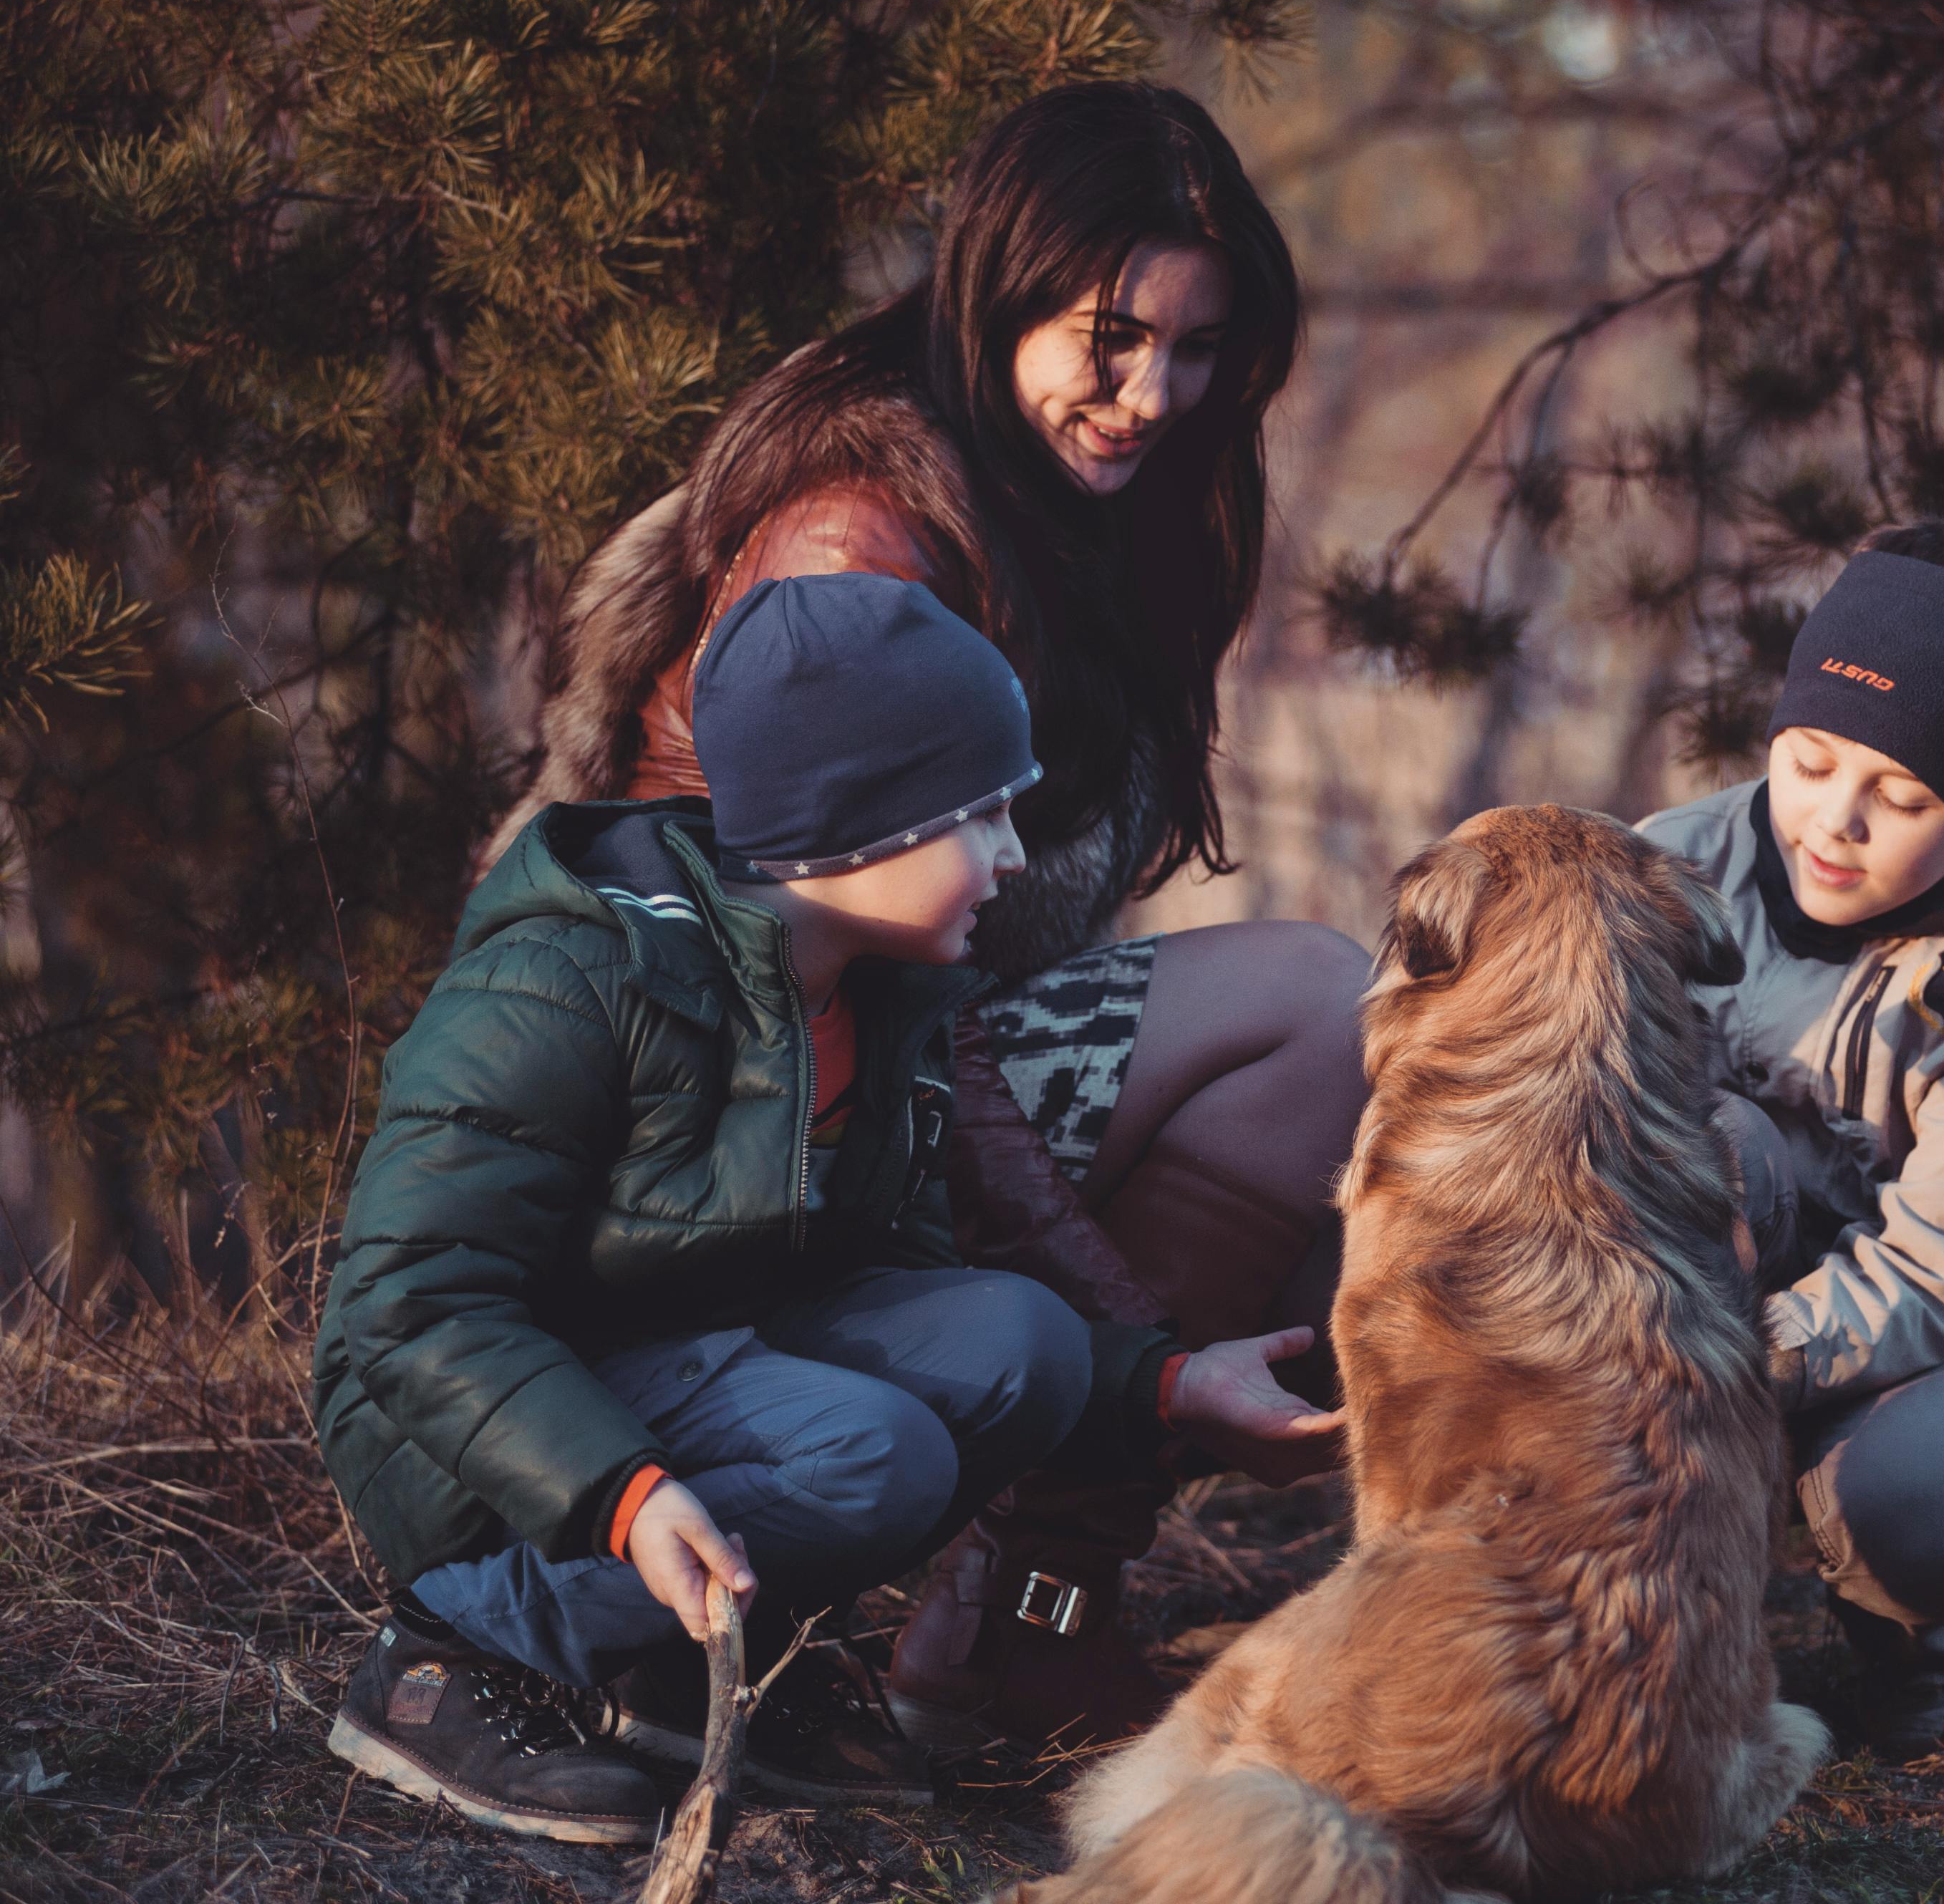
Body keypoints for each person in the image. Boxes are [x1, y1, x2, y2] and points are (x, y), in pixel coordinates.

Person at [488, 81, 1368, 1751]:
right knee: (1313, 1011)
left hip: (901, 1070)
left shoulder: (1095, 510)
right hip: (728, 1130)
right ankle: (1009, 1605)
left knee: (1343, 1038)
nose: (1148, 397)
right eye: (1106, 338)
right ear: (996, 290)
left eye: (1193, 352)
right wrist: (1139, 1356)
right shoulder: (858, 540)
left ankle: (1034, 1616)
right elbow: (832, 1010)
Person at [315, 575, 1340, 1843]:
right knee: (875, 1454)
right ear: (851, 831)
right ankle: (448, 1657)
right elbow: (409, 1304)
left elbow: (915, 1280)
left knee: (1026, 1346)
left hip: (690, 1369)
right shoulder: (571, 979)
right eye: (982, 818)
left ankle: (690, 1671)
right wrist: (624, 1495)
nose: (1015, 857)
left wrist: (1165, 1384)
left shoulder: (874, 993)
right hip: (479, 1446)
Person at [1638, 521, 1944, 1758]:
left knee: (1926, 1495)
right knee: (1720, 1139)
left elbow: (1942, 1267)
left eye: (1902, 796)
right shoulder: (1668, 867)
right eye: (1807, 760)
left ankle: (1921, 1658)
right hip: (1702, 1280)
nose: (1833, 822)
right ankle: (1616, 1623)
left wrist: (1723, 1367)